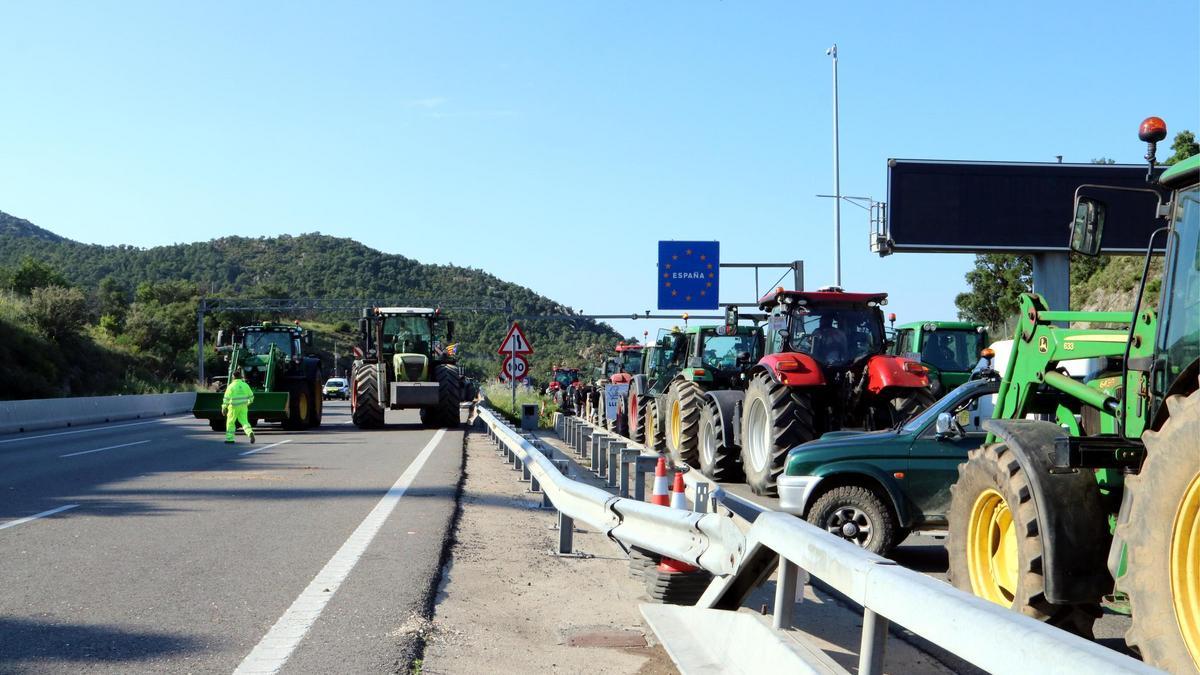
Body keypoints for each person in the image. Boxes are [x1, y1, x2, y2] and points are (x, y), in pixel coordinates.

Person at [221, 367, 256, 444]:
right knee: (244, 422)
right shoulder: (245, 385)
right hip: (243, 407)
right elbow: (251, 397)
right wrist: (248, 403)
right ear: (240, 377)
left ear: (233, 377)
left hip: (233, 407)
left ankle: (230, 439)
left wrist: (224, 407)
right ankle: (250, 432)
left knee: (230, 422)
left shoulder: (231, 386)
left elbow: (226, 398)